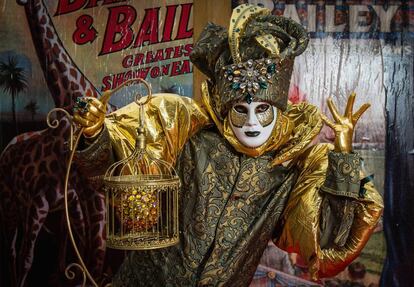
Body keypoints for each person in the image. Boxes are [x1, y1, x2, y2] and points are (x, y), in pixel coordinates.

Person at [73, 4, 383, 286]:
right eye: (240, 109)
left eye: (262, 109)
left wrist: (343, 158)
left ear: (278, 110)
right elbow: (118, 176)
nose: (251, 123)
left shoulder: (290, 171)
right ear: (225, 108)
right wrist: (95, 134)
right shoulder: (188, 138)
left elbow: (327, 239)